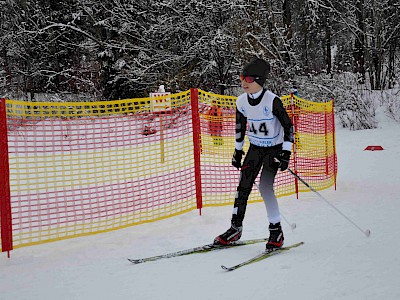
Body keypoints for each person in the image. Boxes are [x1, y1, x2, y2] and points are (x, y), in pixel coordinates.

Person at [214, 58, 294, 250]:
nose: (243, 83)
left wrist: (286, 153)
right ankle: (235, 228)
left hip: (273, 150)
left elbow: (288, 127)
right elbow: (240, 126)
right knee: (243, 187)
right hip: (255, 149)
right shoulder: (241, 101)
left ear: (260, 80)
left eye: (248, 79)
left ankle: (276, 231)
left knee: (266, 187)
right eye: (242, 78)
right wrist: (237, 149)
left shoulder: (272, 100)